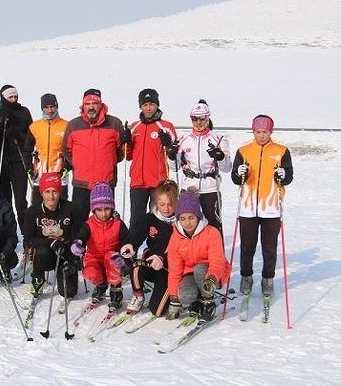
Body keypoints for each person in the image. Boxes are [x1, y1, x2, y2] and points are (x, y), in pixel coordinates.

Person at [231, 114, 293, 300]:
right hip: (248, 207)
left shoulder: (281, 151)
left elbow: (288, 177)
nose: (261, 135)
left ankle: (268, 278)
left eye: (265, 132)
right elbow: (235, 178)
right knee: (247, 246)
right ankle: (246, 276)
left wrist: (283, 174)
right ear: (253, 131)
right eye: (258, 132)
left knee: (269, 247)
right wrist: (238, 172)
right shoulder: (244, 151)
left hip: (271, 206)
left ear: (270, 131)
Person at [167, 99, 231, 236]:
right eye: (194, 119)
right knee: (187, 223)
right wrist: (171, 156)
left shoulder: (218, 139)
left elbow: (227, 168)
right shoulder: (183, 139)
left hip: (210, 187)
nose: (198, 122)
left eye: (202, 118)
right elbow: (174, 167)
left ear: (208, 118)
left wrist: (220, 157)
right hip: (189, 186)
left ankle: (216, 256)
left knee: (213, 223)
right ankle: (188, 254)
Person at [164, 187, 230, 320]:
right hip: (190, 273)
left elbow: (217, 260)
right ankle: (197, 300)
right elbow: (175, 269)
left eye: (191, 218)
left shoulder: (211, 232)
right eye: (182, 219)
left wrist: (212, 278)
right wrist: (174, 298)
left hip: (213, 274)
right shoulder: (176, 238)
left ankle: (208, 302)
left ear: (198, 216)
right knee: (185, 295)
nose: (187, 223)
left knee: (200, 269)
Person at [62, 89, 126, 222]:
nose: (91, 107)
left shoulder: (114, 123)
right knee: (79, 223)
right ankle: (77, 243)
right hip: (82, 184)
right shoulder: (73, 125)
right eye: (87, 104)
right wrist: (78, 164)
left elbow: (120, 152)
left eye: (95, 103)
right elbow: (66, 150)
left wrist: (109, 162)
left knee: (105, 222)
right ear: (83, 106)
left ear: (101, 105)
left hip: (105, 183)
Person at [119, 180, 179, 315]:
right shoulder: (150, 218)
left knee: (157, 311)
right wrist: (129, 245)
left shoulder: (180, 222)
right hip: (151, 264)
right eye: (162, 204)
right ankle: (138, 295)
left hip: (169, 269)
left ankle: (174, 293)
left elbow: (180, 250)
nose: (166, 208)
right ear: (156, 202)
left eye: (170, 204)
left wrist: (163, 259)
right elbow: (137, 236)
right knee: (136, 266)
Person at [70, 183, 130, 310]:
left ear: (112, 208)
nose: (103, 213)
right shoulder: (89, 224)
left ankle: (116, 291)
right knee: (90, 272)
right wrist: (78, 244)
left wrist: (124, 257)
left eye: (107, 209)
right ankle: (101, 285)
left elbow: (126, 242)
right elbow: (82, 237)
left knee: (112, 259)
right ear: (93, 210)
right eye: (99, 210)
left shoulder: (118, 223)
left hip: (112, 258)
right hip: (94, 258)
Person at [23, 173, 82, 298]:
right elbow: (28, 240)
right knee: (42, 251)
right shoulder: (32, 212)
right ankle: (38, 276)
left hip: (65, 252)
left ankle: (64, 271)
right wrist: (50, 242)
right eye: (47, 191)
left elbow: (79, 235)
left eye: (55, 191)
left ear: (60, 192)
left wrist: (74, 254)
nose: (51, 196)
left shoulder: (71, 209)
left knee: (69, 292)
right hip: (44, 253)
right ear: (42, 193)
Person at [125, 89, 177, 232]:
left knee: (158, 217)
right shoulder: (134, 127)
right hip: (137, 181)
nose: (148, 108)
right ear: (140, 106)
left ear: (157, 105)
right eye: (145, 105)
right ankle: (132, 250)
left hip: (158, 181)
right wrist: (126, 141)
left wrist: (168, 143)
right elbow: (128, 155)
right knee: (136, 219)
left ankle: (156, 249)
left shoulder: (166, 126)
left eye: (152, 104)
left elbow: (174, 154)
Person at [0, 85, 34, 230]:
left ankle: (25, 231)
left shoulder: (24, 111)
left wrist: (18, 134)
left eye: (15, 96)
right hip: (2, 160)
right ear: (3, 97)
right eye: (10, 97)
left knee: (20, 200)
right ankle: (7, 230)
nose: (13, 100)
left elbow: (31, 135)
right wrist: (0, 126)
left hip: (19, 160)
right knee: (4, 198)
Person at [26, 93, 69, 206]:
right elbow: (27, 149)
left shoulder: (67, 126)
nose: (50, 110)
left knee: (62, 207)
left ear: (57, 106)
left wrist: (67, 167)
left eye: (52, 106)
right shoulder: (34, 127)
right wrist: (29, 168)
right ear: (42, 108)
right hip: (40, 175)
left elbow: (72, 150)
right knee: (37, 207)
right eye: (46, 107)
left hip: (59, 174)